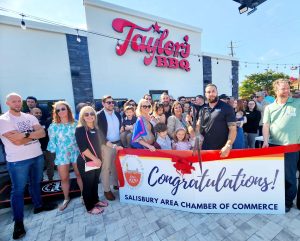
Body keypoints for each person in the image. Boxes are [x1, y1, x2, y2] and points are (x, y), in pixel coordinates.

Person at [0, 93, 55, 240]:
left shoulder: (29, 116)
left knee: (35, 183)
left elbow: (42, 133)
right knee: (17, 190)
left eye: (19, 101)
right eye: (14, 101)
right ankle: (18, 223)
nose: (17, 103)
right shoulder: (3, 120)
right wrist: (31, 134)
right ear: (7, 103)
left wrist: (22, 135)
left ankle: (38, 206)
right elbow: (16, 142)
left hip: (36, 156)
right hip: (18, 161)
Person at [262, 79, 300, 212]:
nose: (287, 90)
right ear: (276, 91)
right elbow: (266, 125)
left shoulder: (297, 102)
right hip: (278, 146)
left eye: (288, 88)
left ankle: (294, 202)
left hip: (295, 145)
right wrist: (265, 141)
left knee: (292, 176)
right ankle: (286, 201)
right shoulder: (269, 108)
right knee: (285, 176)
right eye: (283, 89)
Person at [47, 101, 83, 211]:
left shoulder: (76, 123)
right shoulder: (53, 127)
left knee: (79, 175)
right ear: (55, 112)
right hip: (62, 154)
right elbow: (52, 142)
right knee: (64, 178)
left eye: (63, 109)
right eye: (58, 110)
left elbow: (81, 140)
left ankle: (83, 195)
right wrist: (55, 152)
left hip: (76, 152)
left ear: (68, 109)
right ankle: (66, 198)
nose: (61, 111)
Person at [75, 106, 109, 214]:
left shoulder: (96, 128)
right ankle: (89, 207)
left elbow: (104, 141)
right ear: (82, 117)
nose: (90, 116)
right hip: (87, 161)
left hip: (96, 161)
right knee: (88, 184)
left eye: (92, 113)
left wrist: (114, 146)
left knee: (94, 183)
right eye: (86, 114)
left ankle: (96, 201)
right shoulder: (80, 129)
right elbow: (83, 149)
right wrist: (95, 159)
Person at [196, 84, 237, 157]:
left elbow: (233, 129)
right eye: (208, 92)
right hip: (205, 149)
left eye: (213, 91)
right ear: (205, 94)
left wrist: (228, 145)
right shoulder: (202, 109)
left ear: (217, 92)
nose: (211, 94)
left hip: (222, 150)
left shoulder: (227, 108)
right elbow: (198, 127)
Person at [97, 95, 123, 201]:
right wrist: (107, 143)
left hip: (117, 143)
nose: (111, 104)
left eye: (112, 102)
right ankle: (107, 190)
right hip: (106, 145)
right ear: (103, 103)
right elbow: (98, 132)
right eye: (108, 102)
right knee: (106, 168)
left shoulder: (117, 114)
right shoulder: (99, 115)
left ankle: (116, 184)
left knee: (116, 166)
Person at [31, 107, 55, 181]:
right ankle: (40, 180)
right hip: (36, 149)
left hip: (48, 148)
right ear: (31, 114)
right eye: (36, 113)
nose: (38, 114)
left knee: (50, 164)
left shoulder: (46, 122)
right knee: (39, 166)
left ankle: (50, 179)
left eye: (40, 113)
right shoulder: (29, 124)